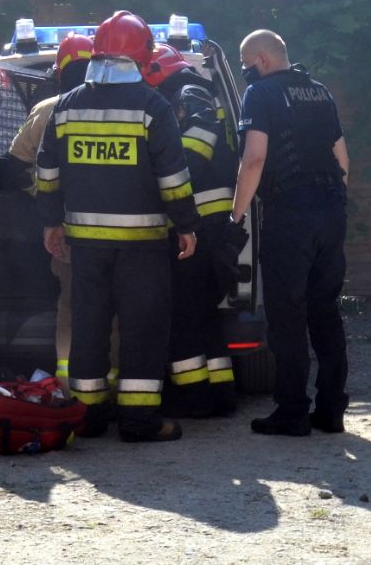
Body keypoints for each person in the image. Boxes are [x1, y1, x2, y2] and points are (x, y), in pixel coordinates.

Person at [36, 11, 199, 443]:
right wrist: (186, 224)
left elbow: (46, 172)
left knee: (89, 326)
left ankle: (88, 417)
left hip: (85, 245)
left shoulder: (67, 105)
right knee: (142, 328)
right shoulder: (153, 106)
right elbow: (173, 177)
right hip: (142, 244)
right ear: (144, 57)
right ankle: (140, 422)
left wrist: (52, 221)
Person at [232, 29, 350, 436]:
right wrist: (333, 208)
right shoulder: (320, 92)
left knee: (286, 316)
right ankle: (332, 409)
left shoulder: (259, 95)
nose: (246, 71)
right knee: (326, 312)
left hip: (290, 212)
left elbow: (254, 160)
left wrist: (236, 216)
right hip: (332, 210)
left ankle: (292, 411)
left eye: (247, 63)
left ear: (261, 60)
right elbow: (342, 159)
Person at [144, 43, 246, 418]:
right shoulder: (195, 91)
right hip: (211, 225)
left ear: (156, 72)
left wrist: (157, 182)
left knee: (184, 315)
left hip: (199, 224)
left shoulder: (189, 96)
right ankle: (221, 395)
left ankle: (194, 400)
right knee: (204, 313)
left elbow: (194, 152)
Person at [8, 34, 95, 390]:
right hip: (120, 231)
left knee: (71, 307)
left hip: (64, 231)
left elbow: (15, 166)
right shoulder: (122, 107)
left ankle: (69, 385)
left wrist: (45, 201)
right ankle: (115, 386)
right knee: (114, 311)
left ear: (59, 72)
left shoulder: (47, 109)